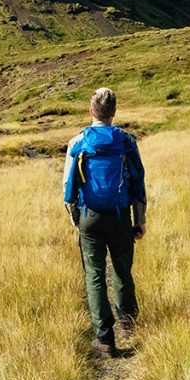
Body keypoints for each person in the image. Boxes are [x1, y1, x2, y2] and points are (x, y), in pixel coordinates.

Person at [63, 87, 147, 358]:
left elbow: (67, 187)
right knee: (123, 270)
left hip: (90, 218)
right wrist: (140, 219)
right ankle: (128, 322)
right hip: (121, 216)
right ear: (114, 112)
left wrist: (76, 219)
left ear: (91, 112)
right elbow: (137, 183)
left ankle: (105, 339)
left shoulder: (77, 142)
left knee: (95, 275)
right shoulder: (126, 141)